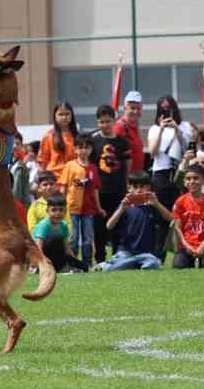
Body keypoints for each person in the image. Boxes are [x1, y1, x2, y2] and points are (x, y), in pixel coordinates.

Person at [85, 104, 129, 262]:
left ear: (115, 121)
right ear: (97, 122)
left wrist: (126, 187)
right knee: (99, 227)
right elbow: (89, 167)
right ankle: (100, 258)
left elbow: (127, 167)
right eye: (101, 122)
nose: (105, 125)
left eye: (108, 121)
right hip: (99, 191)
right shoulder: (93, 141)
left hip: (118, 190)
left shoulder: (122, 142)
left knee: (118, 225)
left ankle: (118, 255)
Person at [98, 172, 167, 270]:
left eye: (142, 187)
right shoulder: (124, 206)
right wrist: (122, 208)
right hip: (125, 251)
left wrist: (157, 204)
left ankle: (127, 264)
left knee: (154, 263)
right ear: (129, 188)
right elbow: (109, 225)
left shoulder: (152, 206)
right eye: (135, 187)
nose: (139, 190)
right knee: (112, 268)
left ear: (148, 188)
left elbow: (171, 219)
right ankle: (117, 264)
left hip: (146, 253)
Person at [145, 95, 192, 217]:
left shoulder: (185, 126)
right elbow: (153, 153)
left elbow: (189, 149)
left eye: (169, 108)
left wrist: (176, 129)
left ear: (175, 108)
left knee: (183, 212)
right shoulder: (154, 129)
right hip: (161, 172)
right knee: (162, 213)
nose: (166, 112)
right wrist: (161, 130)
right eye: (163, 109)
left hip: (180, 171)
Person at [57, 140, 100, 268]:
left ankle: (87, 264)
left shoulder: (93, 168)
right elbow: (63, 186)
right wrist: (61, 204)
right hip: (72, 208)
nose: (83, 151)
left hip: (89, 210)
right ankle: (73, 264)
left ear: (91, 149)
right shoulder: (70, 165)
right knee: (73, 237)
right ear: (75, 149)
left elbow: (96, 189)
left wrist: (98, 207)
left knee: (88, 238)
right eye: (80, 148)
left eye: (86, 148)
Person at [171, 165, 204, 269]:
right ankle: (189, 260)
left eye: (196, 178)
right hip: (186, 245)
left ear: (203, 180)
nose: (192, 181)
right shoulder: (180, 202)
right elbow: (177, 228)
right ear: (184, 181)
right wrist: (187, 246)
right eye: (188, 178)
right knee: (178, 266)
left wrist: (201, 248)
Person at [32, 194, 87, 272]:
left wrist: (74, 260)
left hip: (56, 254)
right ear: (47, 211)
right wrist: (42, 262)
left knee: (84, 267)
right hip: (41, 255)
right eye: (54, 210)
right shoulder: (44, 225)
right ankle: (40, 268)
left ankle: (64, 267)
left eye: (61, 210)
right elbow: (38, 247)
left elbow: (66, 247)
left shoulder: (64, 225)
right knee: (56, 240)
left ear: (65, 212)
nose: (57, 213)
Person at [35, 102, 79, 178]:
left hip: (74, 179)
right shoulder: (48, 136)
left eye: (67, 114)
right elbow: (42, 162)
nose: (64, 117)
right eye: (60, 114)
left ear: (72, 116)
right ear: (55, 116)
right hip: (55, 180)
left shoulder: (78, 136)